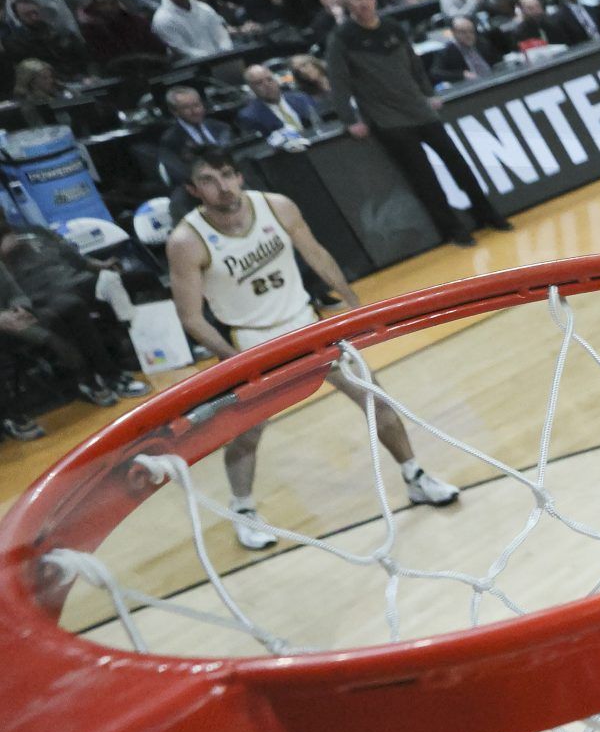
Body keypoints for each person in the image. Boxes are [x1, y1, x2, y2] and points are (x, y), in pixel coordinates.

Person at [166, 149, 463, 550]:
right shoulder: (186, 240)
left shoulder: (276, 206)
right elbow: (191, 316)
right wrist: (231, 358)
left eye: (226, 175)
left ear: (238, 175)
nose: (222, 187)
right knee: (248, 434)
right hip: (253, 341)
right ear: (193, 189)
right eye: (208, 180)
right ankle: (244, 509)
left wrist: (355, 307)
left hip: (307, 326)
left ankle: (415, 477)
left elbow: (318, 257)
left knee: (376, 399)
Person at [325, 0, 508, 246]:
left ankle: (486, 213)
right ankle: (453, 229)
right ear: (346, 3)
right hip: (388, 119)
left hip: (419, 109)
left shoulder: (392, 27)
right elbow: (338, 82)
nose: (362, 3)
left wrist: (429, 93)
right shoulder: (341, 39)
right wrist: (349, 119)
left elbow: (415, 64)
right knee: (425, 179)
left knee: (457, 162)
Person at [0, 225, 151, 412]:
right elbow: (12, 288)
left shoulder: (34, 229)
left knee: (142, 278)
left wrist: (95, 264)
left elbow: (69, 253)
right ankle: (105, 376)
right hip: (40, 293)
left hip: (73, 281)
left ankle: (148, 348)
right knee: (70, 306)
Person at [234, 63, 325, 143]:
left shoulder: (301, 98)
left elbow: (320, 123)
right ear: (251, 88)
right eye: (259, 83)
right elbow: (259, 146)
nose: (267, 85)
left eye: (269, 79)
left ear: (276, 80)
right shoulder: (249, 116)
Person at [425, 16, 493, 88]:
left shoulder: (482, 43)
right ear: (454, 33)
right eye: (463, 32)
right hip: (470, 87)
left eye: (471, 31)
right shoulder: (447, 51)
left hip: (491, 80)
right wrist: (462, 75)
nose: (469, 35)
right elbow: (435, 73)